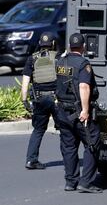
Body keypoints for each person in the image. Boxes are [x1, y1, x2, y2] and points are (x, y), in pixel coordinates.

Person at [55, 33, 102, 193]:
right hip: (77, 111)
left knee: (68, 146)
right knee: (92, 142)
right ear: (83, 47)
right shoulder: (83, 63)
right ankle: (86, 182)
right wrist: (85, 110)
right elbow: (84, 86)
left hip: (62, 110)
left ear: (69, 46)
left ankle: (70, 182)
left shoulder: (60, 61)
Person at [21, 32, 59, 170]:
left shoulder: (32, 59)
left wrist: (25, 101)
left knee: (38, 130)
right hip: (56, 100)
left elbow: (25, 83)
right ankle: (70, 162)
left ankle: (31, 160)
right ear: (53, 44)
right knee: (66, 132)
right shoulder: (58, 58)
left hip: (39, 99)